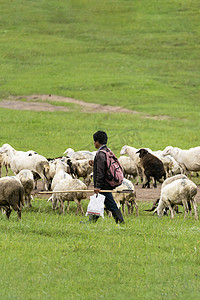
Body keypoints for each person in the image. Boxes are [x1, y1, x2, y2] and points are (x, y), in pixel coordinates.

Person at [88, 130, 124, 224]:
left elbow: (100, 172)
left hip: (104, 184)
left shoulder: (100, 154)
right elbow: (105, 166)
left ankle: (121, 221)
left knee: (110, 204)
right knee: (98, 202)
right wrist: (94, 163)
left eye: (95, 141)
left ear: (98, 141)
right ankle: (91, 222)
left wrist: (98, 186)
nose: (94, 143)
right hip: (107, 182)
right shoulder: (107, 151)